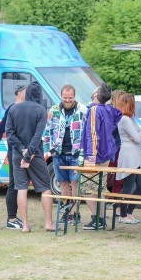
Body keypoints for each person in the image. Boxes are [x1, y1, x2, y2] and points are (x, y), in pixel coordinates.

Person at [4, 82, 53, 233]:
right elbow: (38, 136)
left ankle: (25, 225)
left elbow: (10, 134)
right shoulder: (41, 110)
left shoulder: (13, 109)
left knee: (21, 188)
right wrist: (30, 153)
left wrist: (22, 150)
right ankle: (48, 223)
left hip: (18, 155)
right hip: (35, 155)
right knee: (45, 188)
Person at [80, 83, 122, 230]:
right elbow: (118, 115)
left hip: (96, 155)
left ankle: (96, 218)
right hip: (106, 153)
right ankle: (102, 219)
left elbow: (92, 134)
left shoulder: (94, 109)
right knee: (100, 187)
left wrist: (91, 154)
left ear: (96, 95)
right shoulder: (109, 109)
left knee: (87, 187)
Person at [42, 84, 86, 221]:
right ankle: (67, 212)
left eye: (70, 97)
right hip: (58, 153)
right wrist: (49, 150)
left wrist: (84, 153)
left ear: (74, 96)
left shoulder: (83, 110)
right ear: (61, 96)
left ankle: (75, 213)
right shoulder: (54, 110)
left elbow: (87, 133)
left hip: (76, 153)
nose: (67, 100)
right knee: (63, 183)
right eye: (65, 97)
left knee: (75, 183)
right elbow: (48, 131)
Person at [0, 84, 27, 229]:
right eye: (26, 91)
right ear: (19, 93)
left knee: (18, 186)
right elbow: (0, 131)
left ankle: (14, 218)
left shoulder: (28, 107)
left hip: (22, 153)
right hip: (15, 153)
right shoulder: (12, 109)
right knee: (14, 185)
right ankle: (11, 218)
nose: (28, 93)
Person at [114, 92, 141, 224]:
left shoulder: (130, 119)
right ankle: (123, 214)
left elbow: (139, 136)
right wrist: (136, 137)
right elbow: (139, 137)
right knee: (128, 186)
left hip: (136, 154)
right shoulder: (124, 119)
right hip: (129, 154)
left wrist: (136, 136)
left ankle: (129, 211)